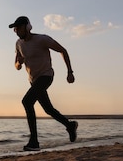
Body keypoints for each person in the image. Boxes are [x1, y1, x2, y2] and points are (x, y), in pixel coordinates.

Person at [9, 16, 78, 151]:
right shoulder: (18, 44)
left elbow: (62, 50)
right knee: (48, 109)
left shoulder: (42, 39)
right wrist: (19, 62)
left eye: (19, 28)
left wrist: (70, 72)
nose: (16, 31)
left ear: (27, 27)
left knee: (27, 101)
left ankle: (34, 141)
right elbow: (16, 65)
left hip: (46, 76)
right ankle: (70, 125)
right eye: (15, 29)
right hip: (33, 80)